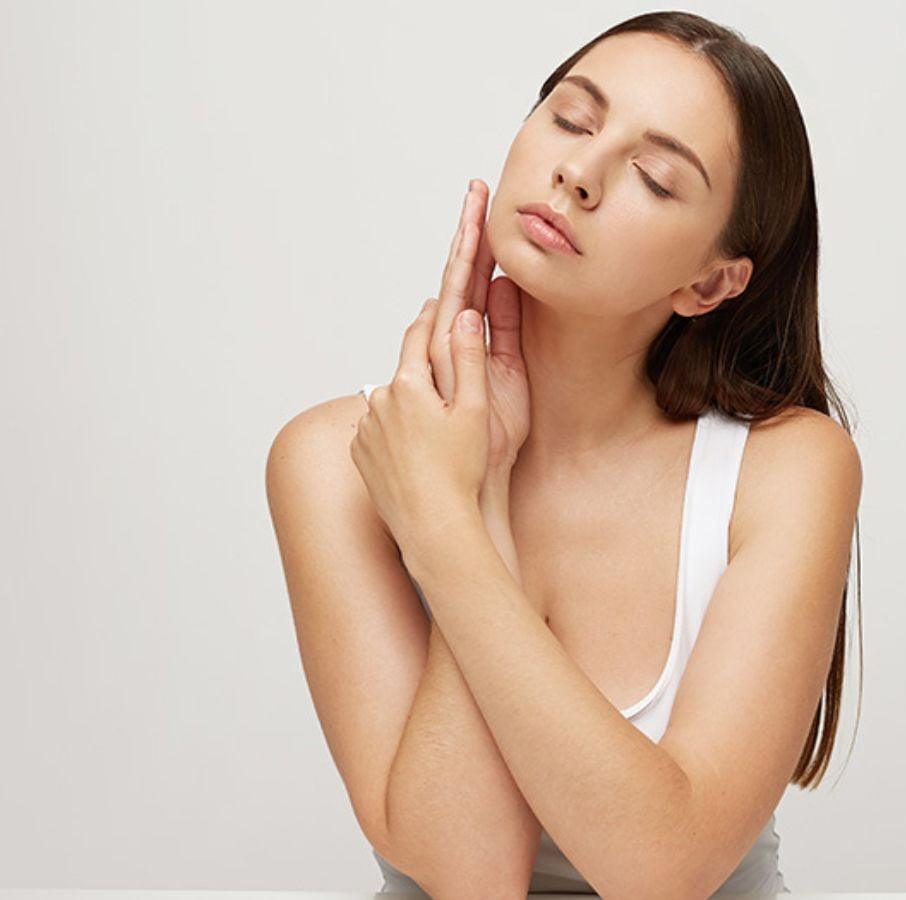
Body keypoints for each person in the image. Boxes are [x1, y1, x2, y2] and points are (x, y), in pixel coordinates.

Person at [266, 10, 863, 897]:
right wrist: (480, 491)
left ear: (708, 281)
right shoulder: (331, 462)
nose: (577, 174)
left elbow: (664, 867)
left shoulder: (788, 471)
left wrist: (453, 521)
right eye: (571, 119)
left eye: (655, 180)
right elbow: (467, 876)